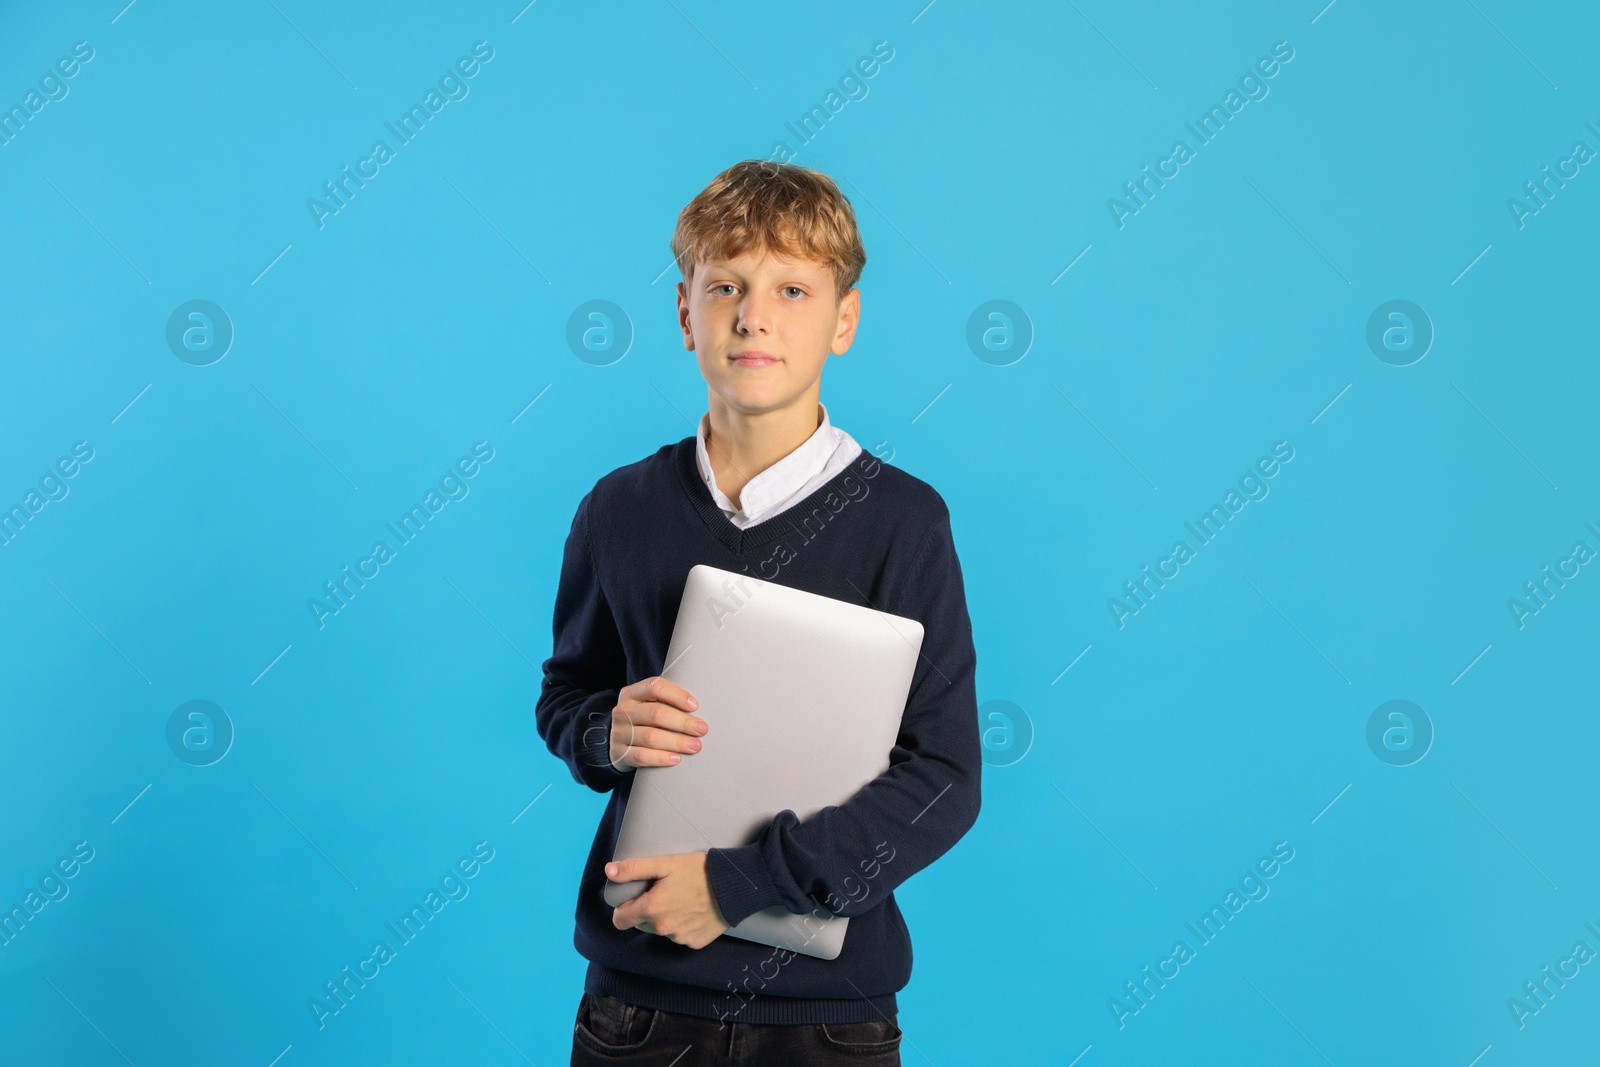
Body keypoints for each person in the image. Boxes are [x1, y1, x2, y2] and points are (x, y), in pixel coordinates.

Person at [536, 159, 981, 1066]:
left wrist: (737, 885)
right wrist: (602, 734)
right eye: (726, 286)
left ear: (844, 321)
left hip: (829, 1017)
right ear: (683, 311)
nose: (753, 315)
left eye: (791, 288)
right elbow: (567, 695)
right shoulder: (617, 508)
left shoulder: (904, 521)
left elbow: (941, 776)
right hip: (637, 1011)